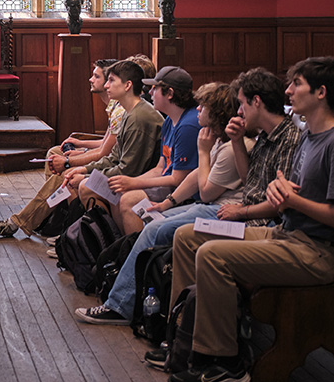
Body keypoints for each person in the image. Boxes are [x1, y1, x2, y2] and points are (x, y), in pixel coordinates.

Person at [166, 57, 334, 382]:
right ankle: (184, 338)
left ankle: (223, 363)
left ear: (321, 92)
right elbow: (285, 190)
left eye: (297, 84)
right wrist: (281, 191)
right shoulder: (309, 136)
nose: (288, 90)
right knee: (190, 234)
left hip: (318, 252)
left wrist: (292, 201)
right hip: (287, 235)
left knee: (213, 255)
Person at [75, 81, 242, 325]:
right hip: (201, 203)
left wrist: (203, 152)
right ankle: (126, 281)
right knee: (138, 208)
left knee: (149, 223)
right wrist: (167, 203)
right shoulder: (207, 136)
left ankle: (123, 304)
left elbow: (202, 190)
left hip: (221, 211)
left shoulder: (209, 139)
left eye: (203, 107)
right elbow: (183, 172)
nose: (198, 111)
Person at [0, 58, 120, 238]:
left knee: (60, 174)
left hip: (111, 168)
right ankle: (54, 215)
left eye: (96, 76)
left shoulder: (120, 111)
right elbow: (107, 143)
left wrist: (72, 160)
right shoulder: (115, 107)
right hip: (106, 160)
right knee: (54, 152)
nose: (90, 79)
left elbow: (105, 154)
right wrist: (81, 145)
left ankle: (18, 222)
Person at [106, 65, 201, 235]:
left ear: (170, 93)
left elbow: (178, 178)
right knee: (119, 193)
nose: (149, 92)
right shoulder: (169, 121)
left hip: (186, 193)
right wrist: (128, 182)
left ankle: (141, 255)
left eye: (155, 88)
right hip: (170, 184)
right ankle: (124, 249)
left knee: (128, 199)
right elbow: (160, 168)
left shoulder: (188, 125)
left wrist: (134, 183)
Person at [72, 59, 163, 212]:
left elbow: (128, 170)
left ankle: (109, 235)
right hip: (132, 176)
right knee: (80, 180)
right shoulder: (129, 112)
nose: (106, 85)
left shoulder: (138, 117)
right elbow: (114, 157)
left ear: (127, 85)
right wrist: (84, 169)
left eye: (111, 80)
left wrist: (88, 177)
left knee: (86, 187)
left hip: (148, 182)